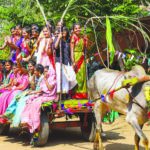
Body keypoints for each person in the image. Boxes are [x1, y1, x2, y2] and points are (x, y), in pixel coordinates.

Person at [21, 65, 57, 133]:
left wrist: (45, 79)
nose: (45, 73)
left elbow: (49, 88)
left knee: (36, 104)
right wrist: (33, 93)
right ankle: (27, 120)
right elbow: (41, 90)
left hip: (50, 96)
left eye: (46, 71)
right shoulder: (45, 79)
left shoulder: (52, 79)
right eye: (44, 71)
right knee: (30, 101)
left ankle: (35, 122)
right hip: (44, 95)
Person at [54, 26, 77, 99]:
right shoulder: (57, 39)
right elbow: (55, 47)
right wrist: (59, 38)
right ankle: (58, 96)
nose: (63, 32)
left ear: (67, 32)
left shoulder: (68, 41)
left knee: (68, 78)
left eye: (65, 31)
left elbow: (70, 53)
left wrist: (72, 62)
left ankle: (65, 94)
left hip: (67, 62)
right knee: (59, 78)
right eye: (62, 31)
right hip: (59, 61)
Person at [70, 23, 87, 99]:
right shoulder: (73, 38)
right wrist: (73, 62)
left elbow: (86, 48)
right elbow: (71, 50)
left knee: (82, 75)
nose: (78, 29)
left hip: (82, 58)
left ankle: (82, 94)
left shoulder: (82, 38)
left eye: (79, 28)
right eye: (76, 28)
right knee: (77, 76)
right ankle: (75, 94)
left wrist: (86, 41)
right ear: (73, 30)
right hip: (76, 57)